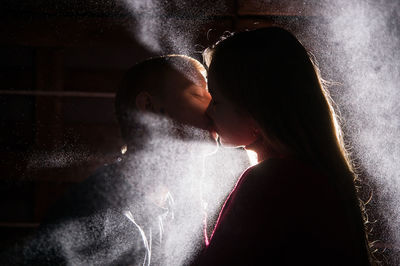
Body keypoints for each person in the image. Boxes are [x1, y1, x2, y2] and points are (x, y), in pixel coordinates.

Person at [1, 54, 216, 266]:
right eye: (198, 95)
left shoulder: (173, 207)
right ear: (148, 107)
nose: (213, 108)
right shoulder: (93, 217)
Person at [196, 27, 374, 265]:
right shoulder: (315, 175)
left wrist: (194, 208)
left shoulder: (271, 180)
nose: (208, 112)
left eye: (216, 101)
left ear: (255, 112)